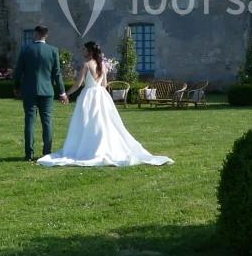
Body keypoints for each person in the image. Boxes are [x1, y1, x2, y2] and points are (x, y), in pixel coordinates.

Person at [37, 40, 173, 168]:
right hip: (101, 94)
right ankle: (102, 145)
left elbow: (78, 84)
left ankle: (88, 147)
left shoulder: (86, 65)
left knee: (87, 122)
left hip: (89, 95)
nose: (83, 51)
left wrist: (66, 94)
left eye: (84, 49)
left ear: (89, 51)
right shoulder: (103, 65)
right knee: (104, 121)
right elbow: (105, 84)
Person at [14, 25, 67, 161]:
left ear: (36, 34)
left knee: (30, 122)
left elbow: (18, 71)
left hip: (29, 90)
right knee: (47, 122)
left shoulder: (26, 49)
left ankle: (29, 154)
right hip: (47, 91)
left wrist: (17, 87)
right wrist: (62, 92)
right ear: (46, 35)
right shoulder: (53, 50)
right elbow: (57, 74)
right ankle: (47, 153)